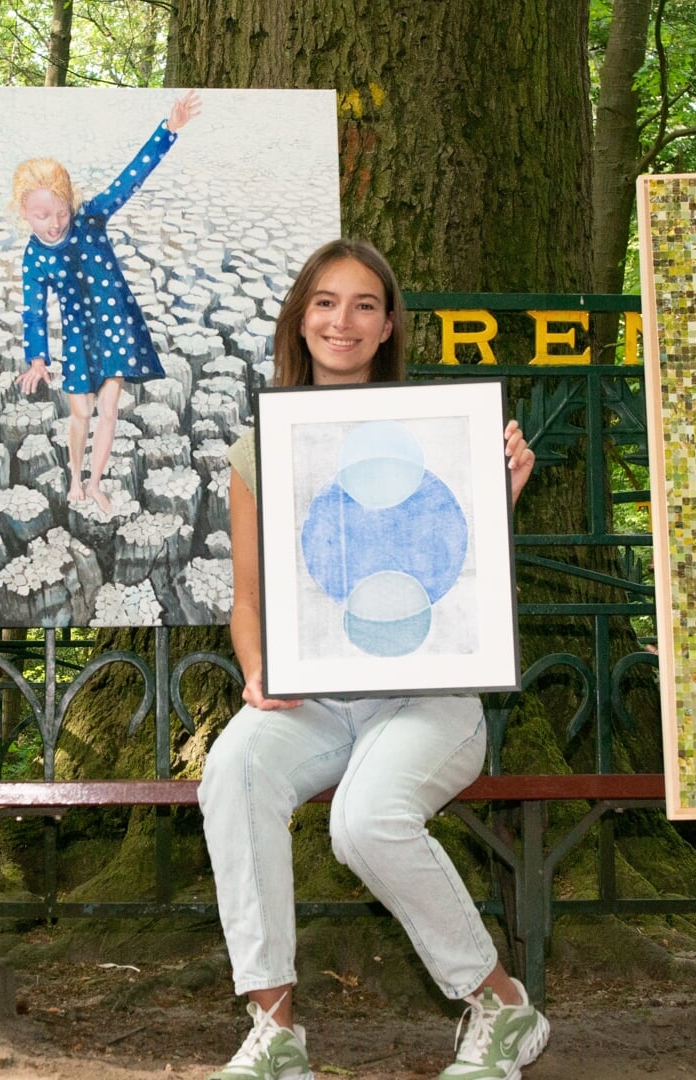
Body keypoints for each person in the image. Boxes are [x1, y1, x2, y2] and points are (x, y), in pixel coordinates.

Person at [198, 238, 546, 1080]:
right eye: (324, 302)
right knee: (232, 768)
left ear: (388, 325)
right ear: (300, 317)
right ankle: (275, 1033)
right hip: (314, 698)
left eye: (362, 305)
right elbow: (249, 600)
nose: (341, 321)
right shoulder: (260, 449)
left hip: (425, 699)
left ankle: (501, 1005)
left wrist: (497, 498)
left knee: (364, 820)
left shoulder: (445, 433)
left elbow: (462, 581)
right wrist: (255, 670)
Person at [13, 91, 202, 510]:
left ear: (70, 202)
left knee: (110, 408)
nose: (54, 223)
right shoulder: (34, 256)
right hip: (80, 335)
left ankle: (96, 482)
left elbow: (130, 179)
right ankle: (76, 477)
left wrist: (168, 129)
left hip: (116, 322)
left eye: (60, 212)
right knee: (80, 412)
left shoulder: (92, 217)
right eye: (42, 216)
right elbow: (33, 311)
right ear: (24, 213)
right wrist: (38, 359)